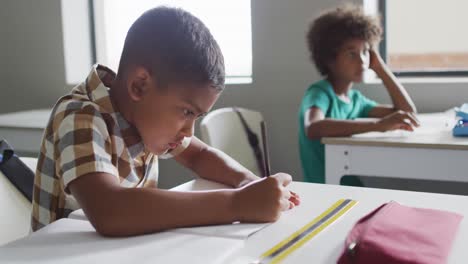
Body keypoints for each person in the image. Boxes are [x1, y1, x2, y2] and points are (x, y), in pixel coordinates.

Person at [32, 7, 300, 236]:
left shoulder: (144, 116)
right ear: (139, 85)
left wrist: (249, 183)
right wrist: (237, 204)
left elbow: (200, 155)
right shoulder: (80, 116)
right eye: (186, 112)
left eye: (197, 117)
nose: (188, 131)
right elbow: (110, 210)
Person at [298, 4, 419, 184]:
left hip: (351, 187)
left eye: (365, 52)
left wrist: (380, 68)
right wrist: (378, 124)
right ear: (329, 58)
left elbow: (407, 112)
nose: (362, 61)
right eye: (351, 53)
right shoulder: (320, 93)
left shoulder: (356, 100)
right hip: (327, 189)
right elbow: (314, 127)